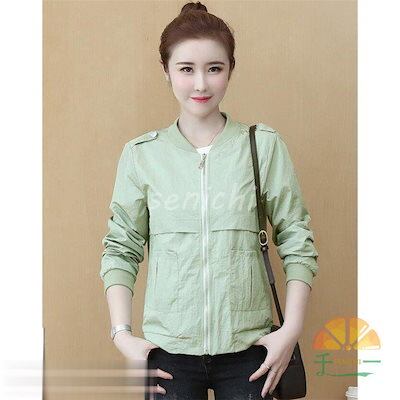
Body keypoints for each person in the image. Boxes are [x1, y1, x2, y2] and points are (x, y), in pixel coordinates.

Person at [99, 2, 319, 399]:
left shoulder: (262, 145)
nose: (200, 84)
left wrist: (290, 331)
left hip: (250, 352)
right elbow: (120, 247)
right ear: (166, 71)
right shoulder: (141, 155)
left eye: (214, 68)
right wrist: (122, 335)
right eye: (186, 69)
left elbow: (296, 237)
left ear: (230, 69)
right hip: (168, 354)